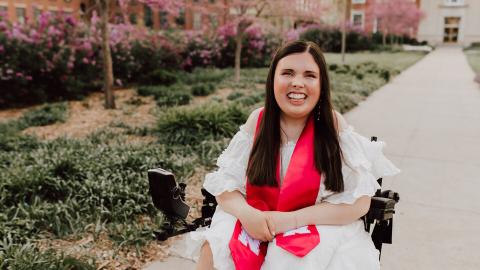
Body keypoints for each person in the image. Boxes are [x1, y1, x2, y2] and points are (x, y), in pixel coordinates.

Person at [184, 40, 400, 270]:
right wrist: (248, 214)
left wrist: (290, 221)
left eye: (309, 75)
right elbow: (226, 187)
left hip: (317, 222)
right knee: (216, 248)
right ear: (273, 79)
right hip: (257, 214)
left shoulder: (332, 126)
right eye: (287, 73)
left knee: (295, 260)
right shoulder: (258, 121)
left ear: (321, 84)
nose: (297, 83)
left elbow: (358, 204)